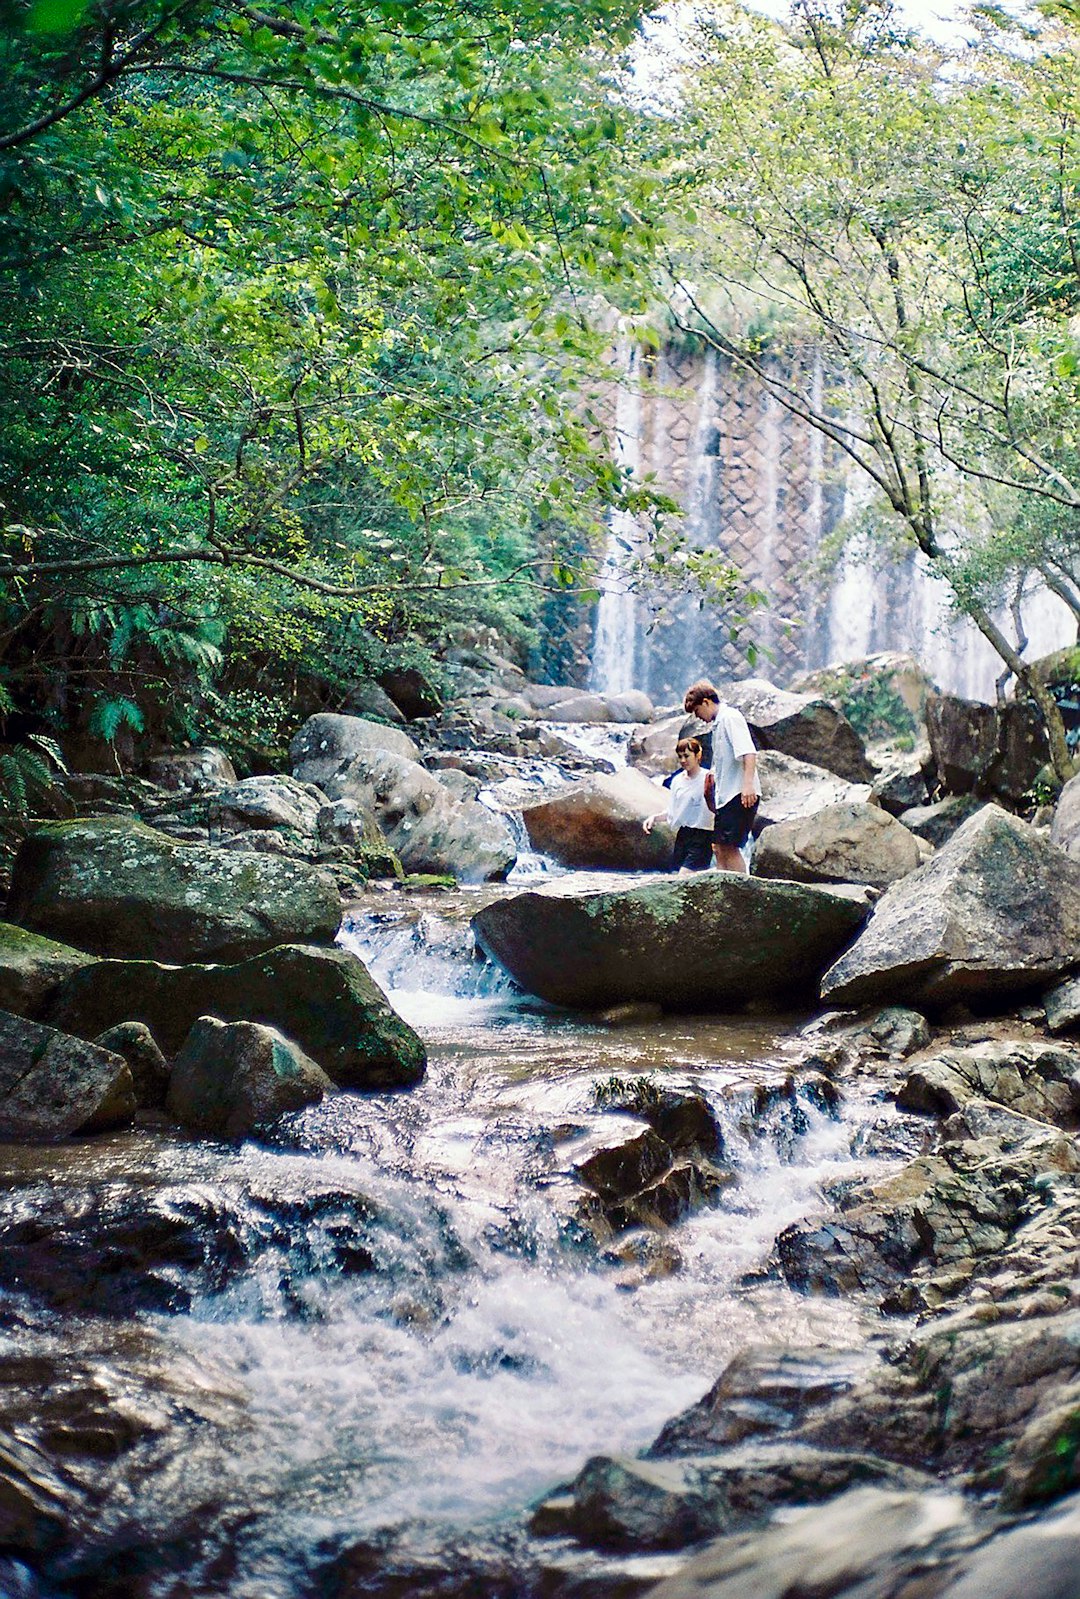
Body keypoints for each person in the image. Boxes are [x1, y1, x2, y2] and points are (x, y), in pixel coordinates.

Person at [682, 679, 761, 873]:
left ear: (707, 702)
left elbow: (748, 752)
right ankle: (725, 890)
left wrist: (748, 785)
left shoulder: (730, 718)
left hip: (739, 793)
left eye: (697, 711)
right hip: (727, 796)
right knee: (718, 847)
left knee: (729, 847)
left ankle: (742, 892)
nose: (697, 717)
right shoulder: (718, 724)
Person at [642, 736, 715, 872]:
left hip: (703, 836)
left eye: (686, 756)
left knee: (685, 876)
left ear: (697, 755)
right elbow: (674, 810)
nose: (683, 760)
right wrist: (654, 818)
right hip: (683, 835)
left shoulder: (709, 778)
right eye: (680, 756)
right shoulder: (677, 781)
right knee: (677, 879)